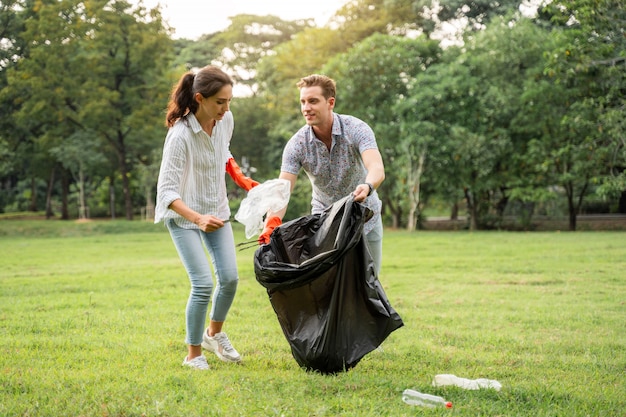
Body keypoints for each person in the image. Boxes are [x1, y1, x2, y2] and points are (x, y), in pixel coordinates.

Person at [155, 65, 258, 370]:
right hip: (185, 216)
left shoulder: (224, 121)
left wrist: (239, 176)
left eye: (229, 101)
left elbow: (222, 152)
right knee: (201, 284)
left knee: (229, 278)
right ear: (199, 98)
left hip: (218, 210)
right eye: (219, 102)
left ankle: (214, 334)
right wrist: (198, 218)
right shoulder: (180, 136)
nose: (226, 108)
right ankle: (193, 355)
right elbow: (166, 193)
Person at [259, 74, 385, 275]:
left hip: (364, 217)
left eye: (313, 101)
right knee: (328, 287)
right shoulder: (297, 145)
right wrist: (270, 224)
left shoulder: (356, 129)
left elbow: (376, 167)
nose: (306, 108)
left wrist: (368, 186)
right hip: (325, 224)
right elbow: (282, 191)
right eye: (302, 102)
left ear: (330, 102)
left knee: (368, 285)